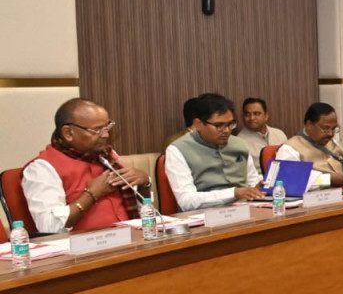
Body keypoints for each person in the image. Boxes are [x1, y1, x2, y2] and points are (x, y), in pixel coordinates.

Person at [22, 98, 150, 233]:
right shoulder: (42, 168)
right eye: (97, 130)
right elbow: (49, 227)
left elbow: (143, 211)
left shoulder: (106, 156)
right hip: (84, 244)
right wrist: (92, 194)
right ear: (68, 133)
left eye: (107, 127)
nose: (106, 135)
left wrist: (144, 184)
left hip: (132, 237)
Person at [165, 93, 265, 211]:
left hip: (246, 210)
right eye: (219, 125)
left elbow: (252, 181)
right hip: (205, 215)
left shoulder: (240, 144)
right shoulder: (178, 149)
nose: (227, 130)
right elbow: (186, 201)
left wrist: (258, 187)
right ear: (198, 124)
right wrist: (233, 193)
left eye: (230, 124)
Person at [277, 103, 343, 187]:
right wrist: (328, 179)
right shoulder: (289, 149)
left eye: (334, 129)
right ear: (309, 125)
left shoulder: (333, 144)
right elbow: (288, 179)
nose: (331, 134)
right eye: (325, 129)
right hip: (317, 194)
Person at [236, 97, 287, 167]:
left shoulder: (279, 134)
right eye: (247, 114)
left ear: (266, 116)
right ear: (243, 117)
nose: (251, 118)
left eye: (256, 114)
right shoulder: (239, 142)